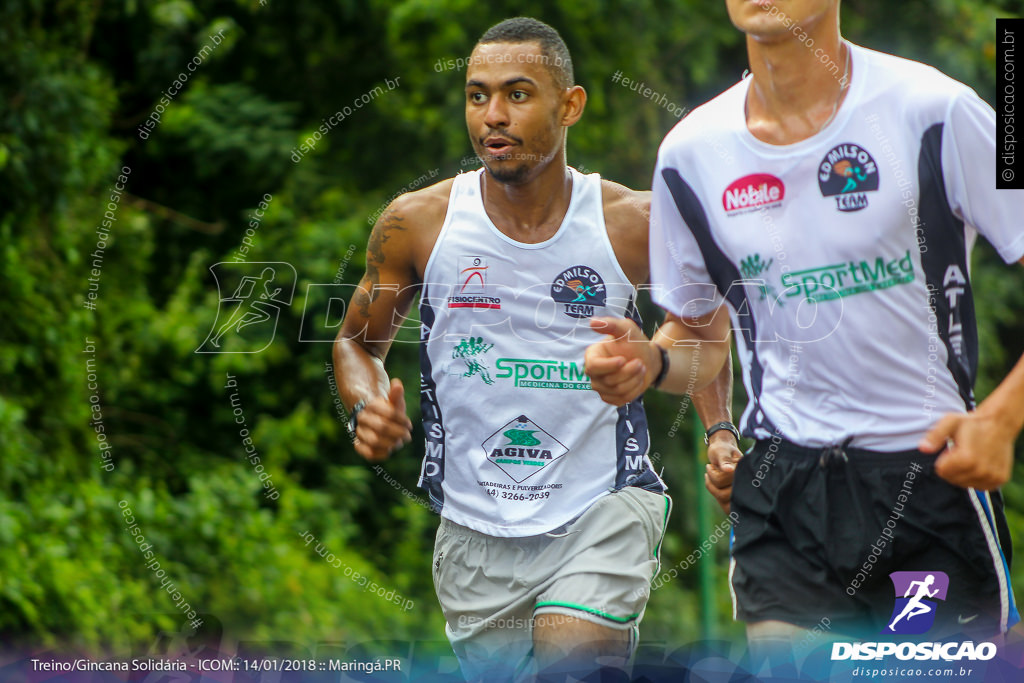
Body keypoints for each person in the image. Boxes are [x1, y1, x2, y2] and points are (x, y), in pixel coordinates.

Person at [585, 0, 1024, 670]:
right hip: (785, 491)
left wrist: (1000, 417)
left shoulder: (938, 109)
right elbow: (700, 335)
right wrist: (647, 361)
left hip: (927, 479)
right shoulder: (690, 153)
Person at [332, 16, 738, 681]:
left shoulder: (630, 222)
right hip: (474, 533)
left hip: (603, 504)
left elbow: (701, 328)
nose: (493, 115)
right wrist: (365, 404)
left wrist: (716, 426)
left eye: (518, 94)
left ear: (570, 105)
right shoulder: (418, 223)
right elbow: (354, 341)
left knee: (570, 664)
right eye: (477, 94)